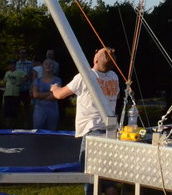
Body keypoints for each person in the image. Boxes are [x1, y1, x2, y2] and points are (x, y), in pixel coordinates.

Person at [51, 47, 120, 195]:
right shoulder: (114, 76)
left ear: (95, 59)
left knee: (89, 177)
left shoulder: (85, 76)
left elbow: (60, 95)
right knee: (108, 176)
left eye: (97, 51)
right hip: (110, 131)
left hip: (93, 131)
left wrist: (54, 88)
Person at [32, 59, 61, 130]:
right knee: (37, 131)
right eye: (46, 63)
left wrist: (41, 96)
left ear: (54, 67)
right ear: (42, 66)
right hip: (39, 110)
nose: (48, 65)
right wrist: (51, 93)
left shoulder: (58, 80)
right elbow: (35, 94)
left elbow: (56, 96)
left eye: (50, 64)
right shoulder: (37, 80)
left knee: (51, 132)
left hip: (52, 110)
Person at [1, 60, 26, 128]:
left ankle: (14, 126)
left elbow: (26, 77)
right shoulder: (7, 73)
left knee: (14, 111)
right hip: (7, 94)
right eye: (9, 65)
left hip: (15, 95)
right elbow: (4, 82)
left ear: (15, 65)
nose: (10, 66)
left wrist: (20, 83)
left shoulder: (19, 72)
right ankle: (7, 127)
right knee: (6, 111)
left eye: (12, 64)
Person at [15, 48, 34, 128]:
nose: (23, 54)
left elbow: (31, 75)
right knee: (17, 106)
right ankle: (18, 122)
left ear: (26, 54)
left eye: (24, 53)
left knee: (27, 107)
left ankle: (26, 123)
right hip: (18, 89)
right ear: (19, 54)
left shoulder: (30, 63)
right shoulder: (16, 64)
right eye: (21, 53)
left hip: (27, 88)